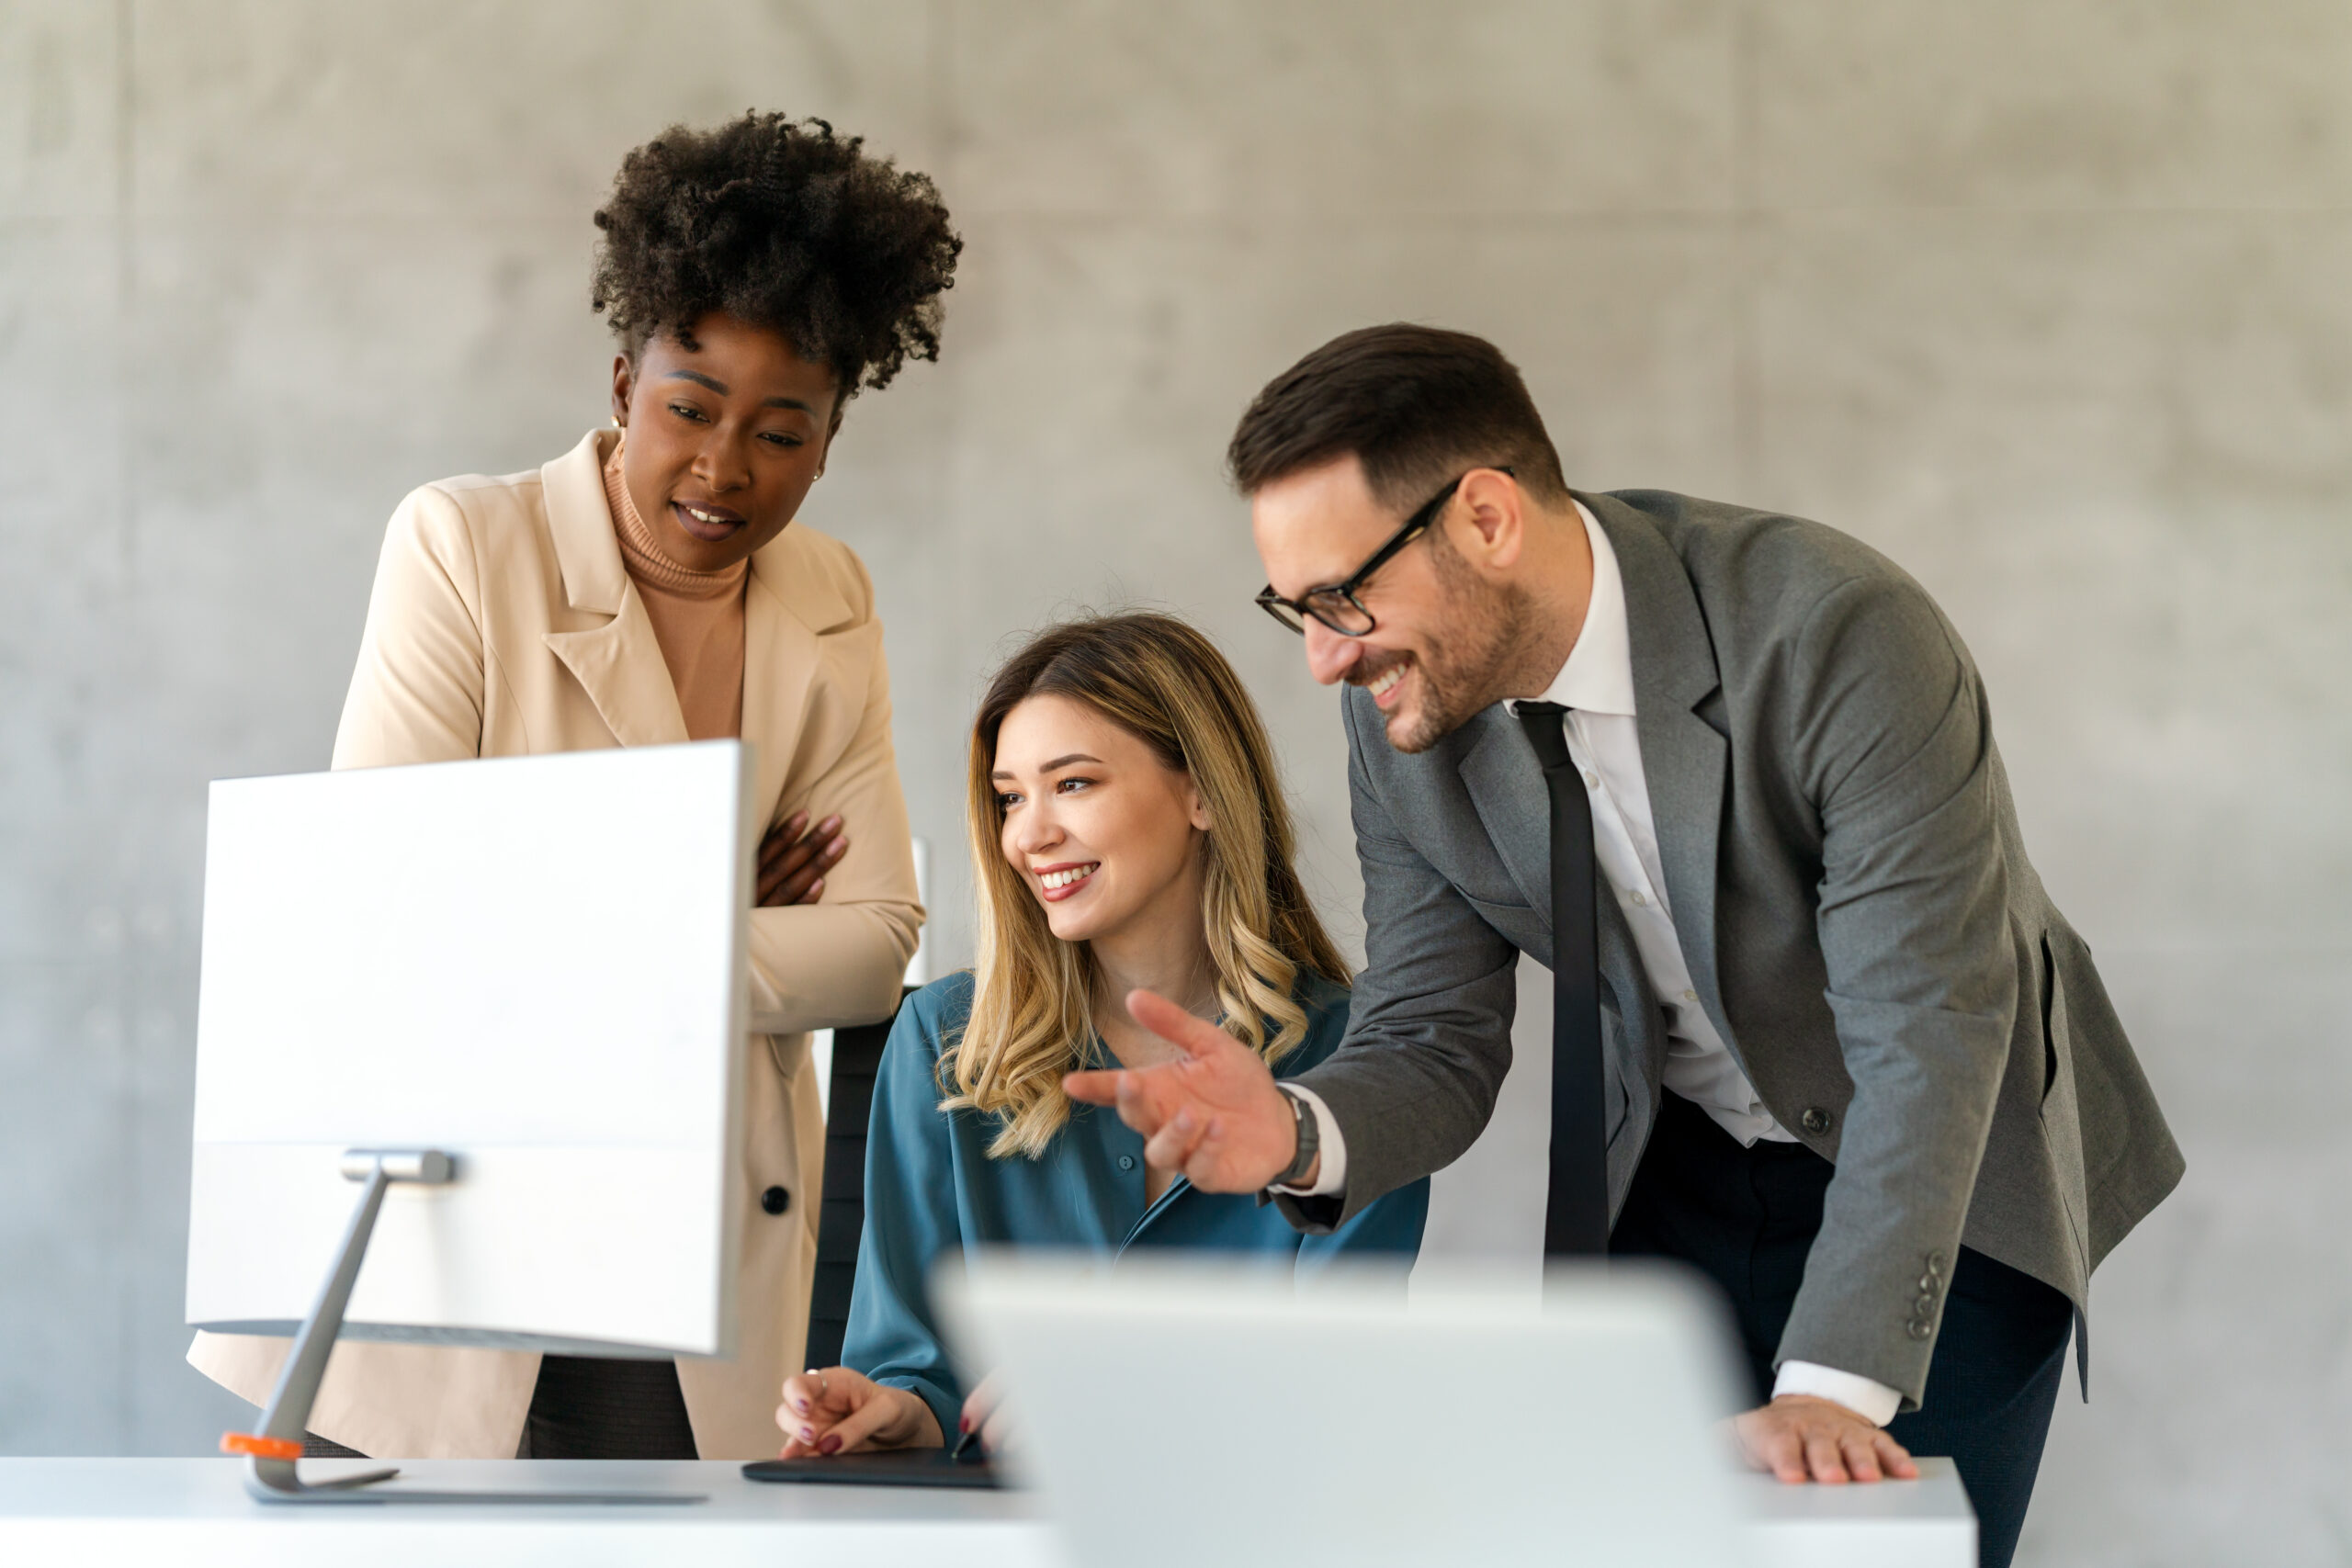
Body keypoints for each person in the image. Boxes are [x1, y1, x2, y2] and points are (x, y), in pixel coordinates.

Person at [1065, 326, 2183, 1568]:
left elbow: (1925, 1030)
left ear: (1485, 516)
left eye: (1342, 597)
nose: (1326, 654)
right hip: (1685, 1170)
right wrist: (1300, 1128)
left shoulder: (1836, 632)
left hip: (1949, 1174)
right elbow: (1431, 1030)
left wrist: (1833, 1381)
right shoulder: (1401, 722)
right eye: (1296, 610)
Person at [187, 112, 961, 1461]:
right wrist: (716, 894)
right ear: (621, 383)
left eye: (782, 431)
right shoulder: (464, 545)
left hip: (700, 1262)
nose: (725, 467)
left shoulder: (830, 597)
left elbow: (874, 945)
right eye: (690, 408)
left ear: (831, 439)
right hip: (459, 1234)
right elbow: (392, 907)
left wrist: (575, 921)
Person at [775, 613, 1429, 1458]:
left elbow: (1351, 1390)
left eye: (1073, 783)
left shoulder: (1361, 1060)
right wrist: (900, 1411)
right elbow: (911, 1362)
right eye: (1011, 797)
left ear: (1201, 789)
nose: (1029, 833)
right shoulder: (943, 1043)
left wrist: (1136, 1387)